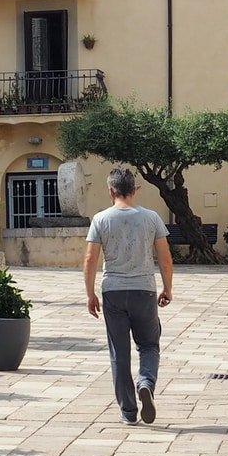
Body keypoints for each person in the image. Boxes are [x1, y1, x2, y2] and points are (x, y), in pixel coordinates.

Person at [83, 166, 173, 425]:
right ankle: (145, 382)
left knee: (119, 353)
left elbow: (90, 259)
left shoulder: (100, 219)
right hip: (144, 290)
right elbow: (164, 259)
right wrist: (167, 288)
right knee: (149, 344)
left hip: (112, 291)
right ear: (134, 190)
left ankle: (128, 412)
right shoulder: (151, 218)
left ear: (111, 191)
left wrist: (90, 294)